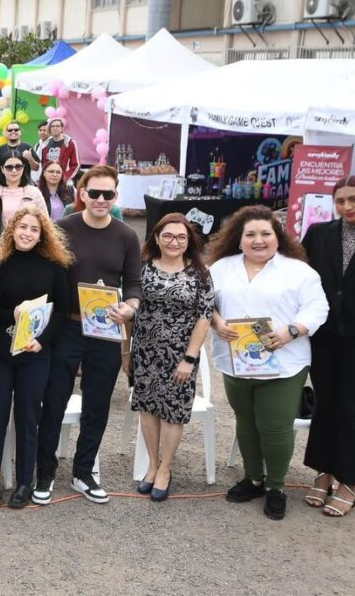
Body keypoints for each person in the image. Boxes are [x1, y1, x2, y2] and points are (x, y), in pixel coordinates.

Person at [209, 205, 328, 520]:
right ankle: (254, 479)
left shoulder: (299, 272)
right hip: (236, 362)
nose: (258, 240)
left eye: (265, 233)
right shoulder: (221, 268)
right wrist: (217, 323)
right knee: (245, 421)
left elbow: (318, 309)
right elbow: (205, 303)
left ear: (278, 237)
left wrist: (291, 331)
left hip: (284, 363)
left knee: (274, 427)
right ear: (239, 238)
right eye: (250, 234)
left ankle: (276, 486)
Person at [36, 165, 142, 506]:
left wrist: (130, 307)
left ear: (116, 196)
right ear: (81, 193)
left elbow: (134, 283)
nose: (100, 199)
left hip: (107, 329)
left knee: (97, 404)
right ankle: (45, 471)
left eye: (107, 194)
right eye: (93, 193)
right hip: (67, 327)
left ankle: (84, 471)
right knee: (54, 401)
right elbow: (47, 277)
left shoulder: (126, 236)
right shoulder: (62, 228)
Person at [0, 207, 71, 508]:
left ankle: (24, 482)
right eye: (22, 227)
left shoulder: (54, 267)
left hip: (35, 352)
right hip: (0, 350)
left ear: (42, 234)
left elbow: (62, 310)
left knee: (28, 417)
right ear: (11, 229)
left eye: (34, 229)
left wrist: (41, 341)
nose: (27, 233)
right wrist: (13, 314)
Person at [130, 214, 214, 502]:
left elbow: (204, 317)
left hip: (180, 355)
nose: (174, 242)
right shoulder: (142, 268)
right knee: (148, 408)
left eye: (181, 237)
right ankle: (152, 465)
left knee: (172, 412)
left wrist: (189, 359)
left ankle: (166, 468)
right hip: (145, 351)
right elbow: (130, 305)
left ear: (189, 240)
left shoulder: (200, 272)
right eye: (168, 236)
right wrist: (125, 351)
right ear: (156, 238)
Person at [302, 176, 355, 515]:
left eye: (354, 200)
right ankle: (324, 471)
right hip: (324, 334)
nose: (348, 207)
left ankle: (350, 479)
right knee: (325, 403)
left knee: (353, 408)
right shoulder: (319, 233)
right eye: (341, 201)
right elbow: (301, 277)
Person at [0, 154, 45, 225]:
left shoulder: (34, 192)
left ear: (23, 168)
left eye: (18, 167)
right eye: (9, 167)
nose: (14, 170)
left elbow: (44, 221)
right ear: (2, 169)